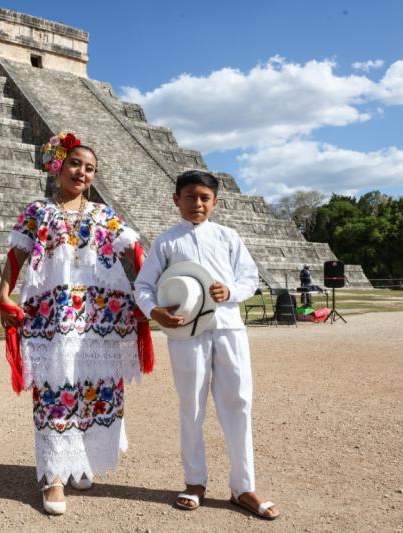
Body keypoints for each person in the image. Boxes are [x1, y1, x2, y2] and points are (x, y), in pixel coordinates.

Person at [0, 132, 149, 515]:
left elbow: (133, 250)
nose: (82, 172)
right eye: (76, 164)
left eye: (90, 168)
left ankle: (78, 461)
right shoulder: (38, 211)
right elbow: (17, 253)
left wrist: (150, 291)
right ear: (58, 166)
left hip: (101, 320)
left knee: (94, 389)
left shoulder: (104, 215)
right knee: (56, 390)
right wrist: (3, 293)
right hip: (54, 315)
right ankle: (53, 476)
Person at [134, 170, 280, 520]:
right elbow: (143, 285)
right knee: (191, 405)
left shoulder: (229, 237)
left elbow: (249, 277)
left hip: (229, 326)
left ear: (215, 202)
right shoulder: (166, 242)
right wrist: (154, 311)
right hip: (186, 332)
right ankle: (195, 481)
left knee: (239, 401)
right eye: (190, 196)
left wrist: (230, 291)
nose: (197, 203)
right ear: (176, 200)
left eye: (204, 198)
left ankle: (243, 486)